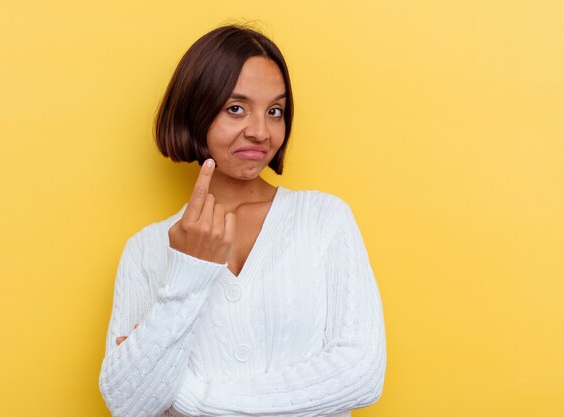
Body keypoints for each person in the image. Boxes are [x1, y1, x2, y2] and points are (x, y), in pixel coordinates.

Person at [99, 25, 386, 417]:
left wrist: (193, 399)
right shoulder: (146, 249)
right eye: (236, 108)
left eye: (275, 111)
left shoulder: (324, 220)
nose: (260, 131)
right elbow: (128, 404)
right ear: (195, 110)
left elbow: (360, 374)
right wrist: (187, 273)